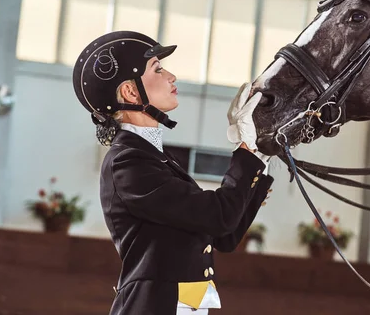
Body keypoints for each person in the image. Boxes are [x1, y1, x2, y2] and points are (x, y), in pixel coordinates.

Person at [72, 30, 273, 315]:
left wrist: (259, 152)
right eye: (157, 69)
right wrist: (246, 152)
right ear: (130, 92)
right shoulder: (128, 163)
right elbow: (219, 217)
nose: (171, 76)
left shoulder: (153, 158)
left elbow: (224, 236)